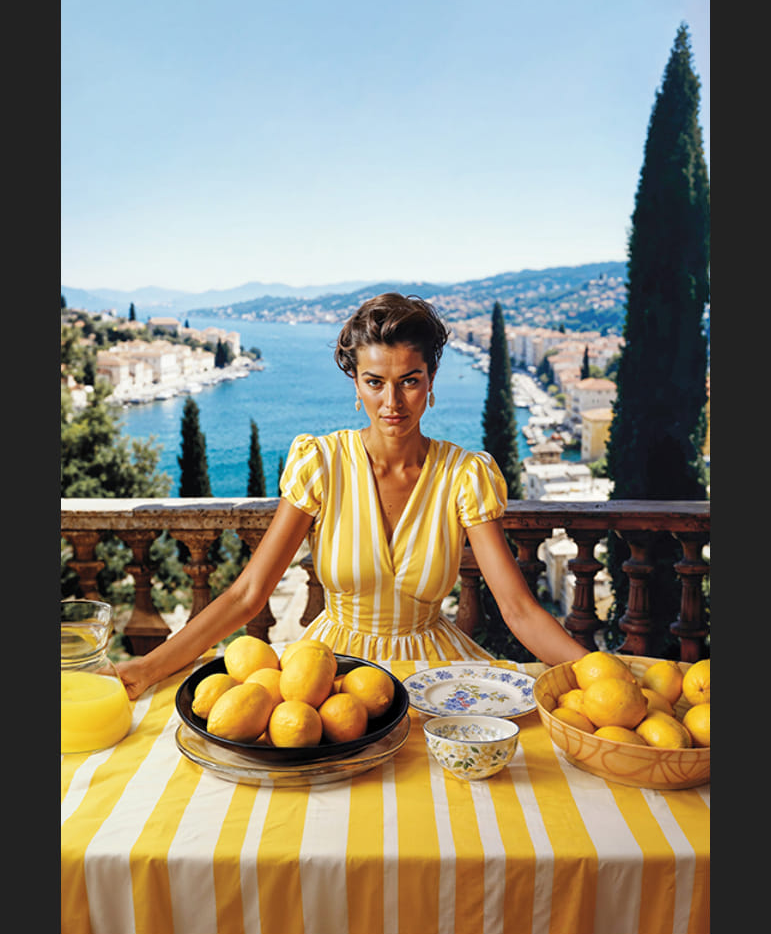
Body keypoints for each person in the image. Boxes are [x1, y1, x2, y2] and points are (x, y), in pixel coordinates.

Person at [117, 293, 586, 700]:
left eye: (410, 380)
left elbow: (519, 609)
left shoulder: (465, 475)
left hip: (433, 671)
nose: (392, 403)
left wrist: (601, 673)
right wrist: (145, 669)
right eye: (375, 382)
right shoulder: (320, 464)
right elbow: (247, 594)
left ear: (431, 378)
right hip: (329, 671)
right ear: (356, 383)